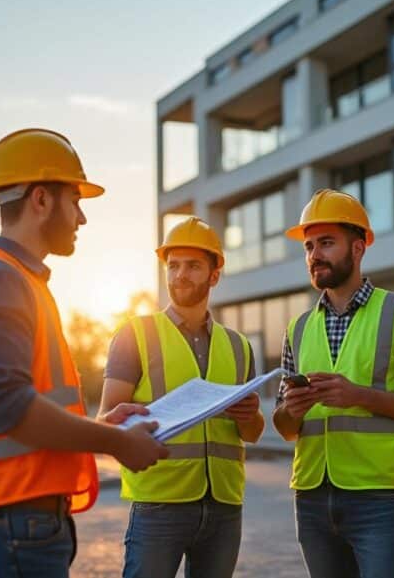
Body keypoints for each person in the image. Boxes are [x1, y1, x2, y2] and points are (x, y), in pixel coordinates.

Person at [0, 128, 168, 578]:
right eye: (75, 201)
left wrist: (99, 427)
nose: (81, 218)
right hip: (8, 526)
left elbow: (22, 409)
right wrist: (117, 442)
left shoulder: (20, 282)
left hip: (15, 525)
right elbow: (7, 406)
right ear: (41, 200)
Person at [272, 189, 394, 578]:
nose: (314, 255)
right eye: (308, 246)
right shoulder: (298, 329)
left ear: (357, 248)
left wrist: (359, 396)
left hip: (379, 498)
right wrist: (291, 411)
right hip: (311, 498)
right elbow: (285, 428)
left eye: (326, 243)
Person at [99, 216, 265, 578]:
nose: (180, 275)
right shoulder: (134, 334)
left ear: (214, 275)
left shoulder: (238, 346)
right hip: (159, 503)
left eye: (192, 266)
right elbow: (108, 420)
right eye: (173, 266)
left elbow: (252, 432)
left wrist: (248, 416)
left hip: (223, 506)